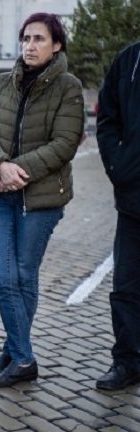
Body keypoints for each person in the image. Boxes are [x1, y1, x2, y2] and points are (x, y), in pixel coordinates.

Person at [0, 13, 84, 387]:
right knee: (4, 278)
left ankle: (15, 354)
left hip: (40, 199)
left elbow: (64, 144)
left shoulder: (68, 87)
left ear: (56, 45)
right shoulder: (2, 83)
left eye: (38, 39)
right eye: (25, 39)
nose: (30, 46)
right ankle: (21, 355)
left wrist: (12, 170)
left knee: (23, 275)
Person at [95, 40, 140, 391]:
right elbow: (108, 117)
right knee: (125, 287)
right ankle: (127, 361)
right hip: (133, 202)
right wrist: (117, 165)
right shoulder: (129, 59)